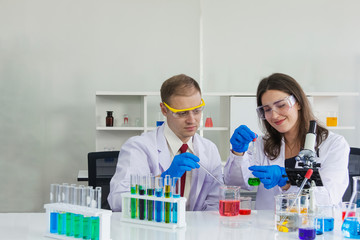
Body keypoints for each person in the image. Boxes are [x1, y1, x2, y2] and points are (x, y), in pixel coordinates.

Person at [224, 73, 349, 210]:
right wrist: (238, 154)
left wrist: (288, 181)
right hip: (267, 227)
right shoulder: (261, 144)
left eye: (281, 105)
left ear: (299, 103)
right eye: (267, 110)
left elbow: (329, 197)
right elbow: (237, 184)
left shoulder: (333, 144)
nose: (274, 115)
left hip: (313, 228)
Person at [108, 74, 223, 211]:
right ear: (164, 109)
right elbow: (118, 202)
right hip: (153, 229)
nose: (192, 120)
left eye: (197, 111)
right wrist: (163, 180)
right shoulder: (138, 147)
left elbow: (215, 203)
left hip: (196, 229)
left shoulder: (209, 149)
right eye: (182, 113)